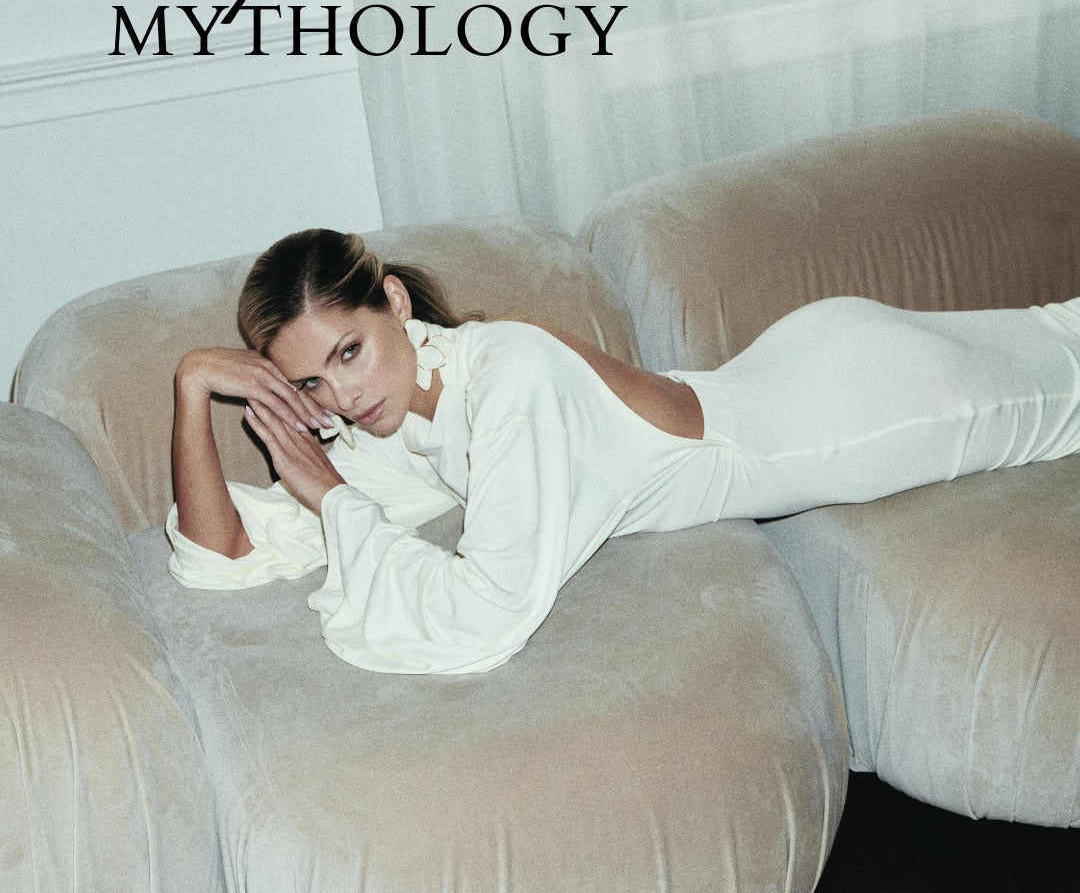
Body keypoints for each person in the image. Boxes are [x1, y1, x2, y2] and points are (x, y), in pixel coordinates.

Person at [169, 227, 1080, 675]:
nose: (341, 396)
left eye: (349, 352)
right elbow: (225, 552)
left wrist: (332, 496)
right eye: (312, 383)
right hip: (793, 364)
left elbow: (487, 613)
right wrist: (192, 386)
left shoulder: (511, 377)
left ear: (397, 306)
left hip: (854, 411)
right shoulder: (396, 421)